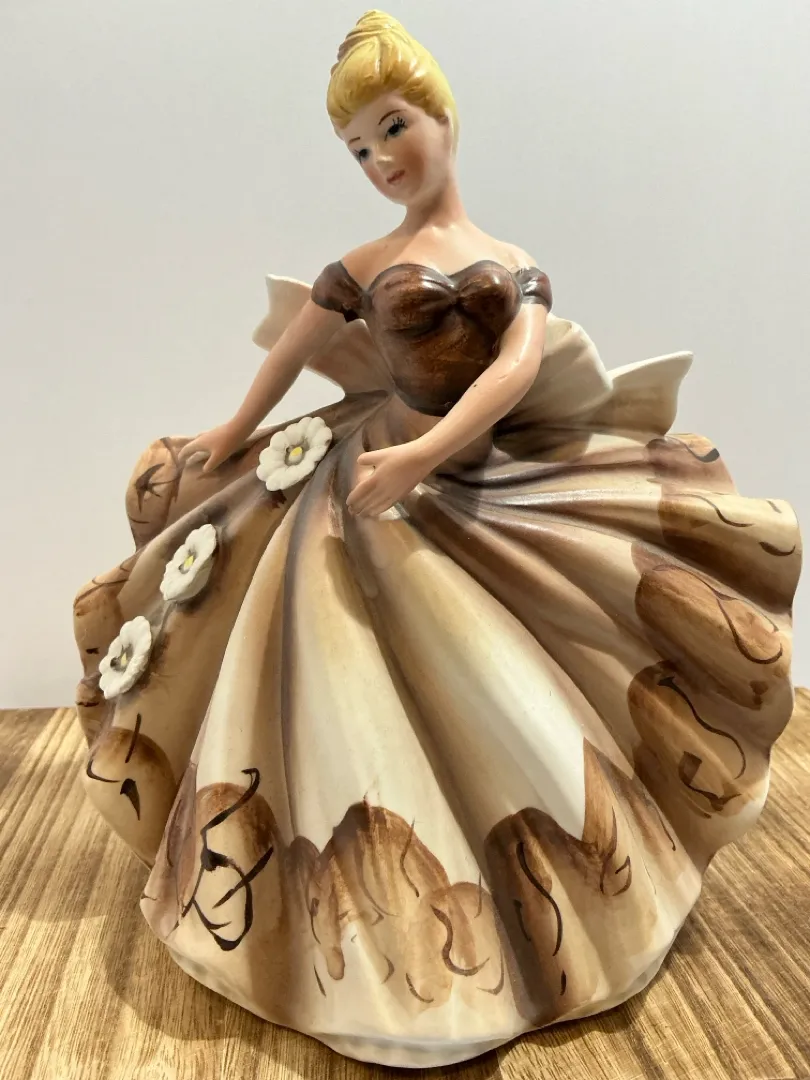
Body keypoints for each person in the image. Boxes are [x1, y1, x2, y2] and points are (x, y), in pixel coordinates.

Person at [72, 10, 802, 1068]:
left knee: (524, 682)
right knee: (336, 681)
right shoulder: (363, 263)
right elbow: (293, 354)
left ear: (443, 117)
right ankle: (366, 932)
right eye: (356, 148)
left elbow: (514, 371)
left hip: (479, 484)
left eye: (392, 128)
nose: (379, 161)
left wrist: (429, 453)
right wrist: (230, 435)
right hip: (369, 482)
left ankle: (564, 894)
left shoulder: (513, 263)